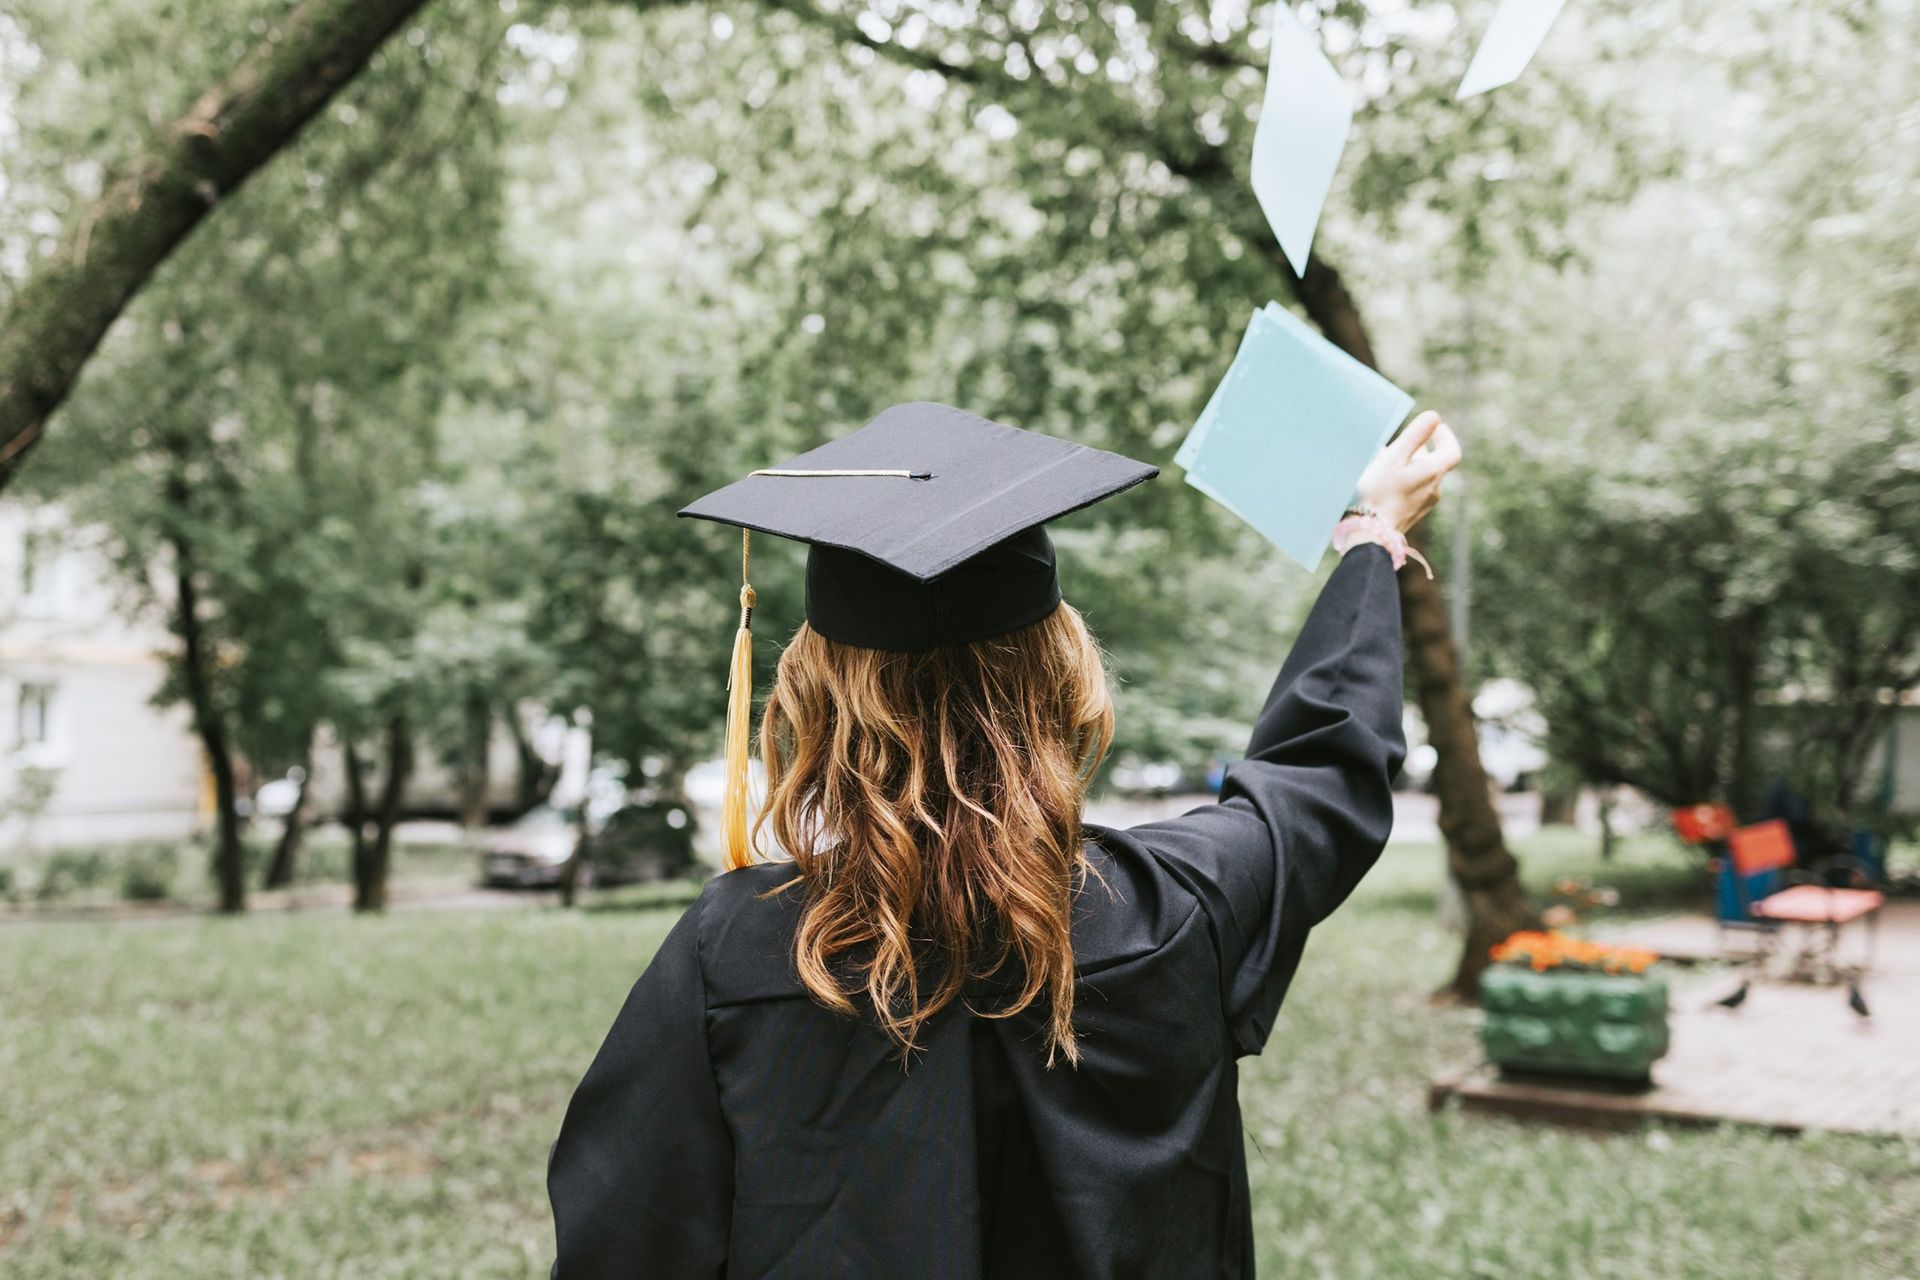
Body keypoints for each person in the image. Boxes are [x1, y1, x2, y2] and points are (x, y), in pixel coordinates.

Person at [548, 400, 1460, 1278]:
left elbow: (625, 1246)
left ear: (819, 694)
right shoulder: (1179, 910)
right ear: (1063, 674)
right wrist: (1371, 533)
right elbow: (1322, 774)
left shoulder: (735, 954)